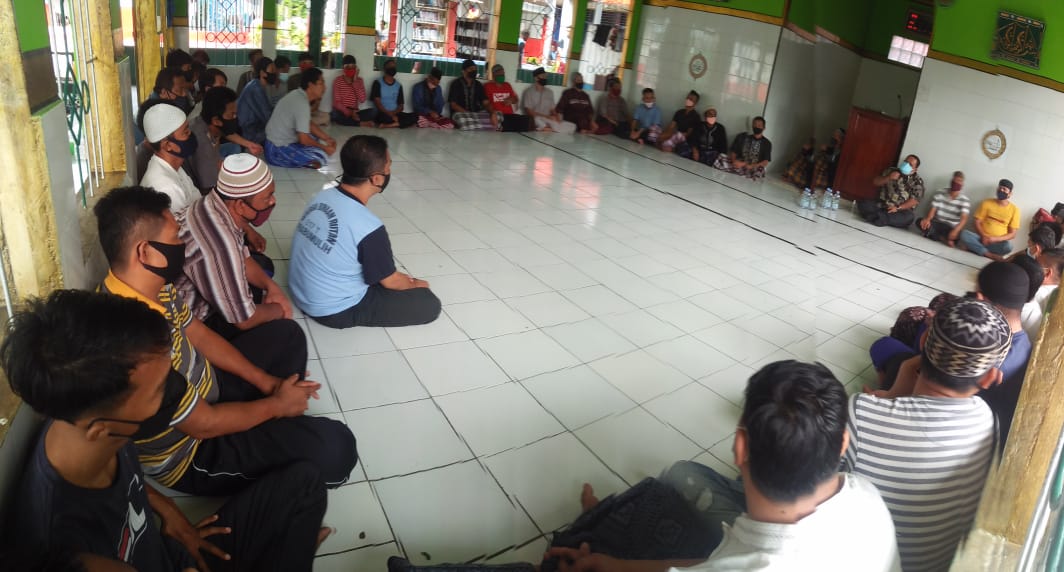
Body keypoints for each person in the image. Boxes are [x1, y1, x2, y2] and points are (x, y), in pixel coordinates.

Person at [388, 361, 901, 572]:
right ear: (843, 443)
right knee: (677, 482)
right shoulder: (866, 496)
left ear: (739, 447)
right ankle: (597, 530)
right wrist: (616, 566)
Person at [0, 289, 333, 572]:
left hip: (176, 552)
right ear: (101, 430)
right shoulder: (64, 547)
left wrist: (168, 510)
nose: (179, 390)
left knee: (306, 484)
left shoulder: (82, 421)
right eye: (160, 390)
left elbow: (119, 483)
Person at [93, 186, 357, 496]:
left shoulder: (153, 286)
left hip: (210, 388)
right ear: (145, 252)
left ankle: (272, 417)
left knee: (288, 334)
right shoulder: (130, 344)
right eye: (176, 238)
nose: (182, 245)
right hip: (194, 450)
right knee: (337, 449)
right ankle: (273, 420)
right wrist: (276, 405)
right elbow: (204, 424)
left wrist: (267, 382)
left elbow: (200, 335)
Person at [848, 297, 1012, 571]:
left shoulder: (860, 414)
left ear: (923, 342)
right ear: (988, 378)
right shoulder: (987, 419)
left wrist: (890, 395)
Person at [290, 135, 442, 328]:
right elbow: (391, 282)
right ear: (377, 178)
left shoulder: (322, 195)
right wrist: (416, 284)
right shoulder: (369, 227)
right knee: (429, 304)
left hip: (300, 292)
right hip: (332, 309)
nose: (389, 172)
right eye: (388, 167)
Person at [175, 154, 292, 338]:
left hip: (200, 291)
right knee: (290, 334)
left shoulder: (212, 203)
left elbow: (241, 256)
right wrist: (279, 309)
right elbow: (243, 320)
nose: (273, 201)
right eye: (267, 197)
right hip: (193, 323)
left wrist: (272, 287)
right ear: (239, 205)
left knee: (263, 267)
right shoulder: (221, 244)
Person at [186, 87, 256, 194]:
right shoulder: (203, 144)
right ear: (216, 120)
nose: (235, 117)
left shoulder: (204, 121)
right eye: (232, 115)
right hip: (199, 187)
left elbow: (226, 131)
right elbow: (208, 188)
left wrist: (249, 144)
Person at [264, 68, 337, 169]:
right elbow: (304, 140)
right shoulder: (301, 103)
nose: (325, 87)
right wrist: (325, 148)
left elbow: (308, 123)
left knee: (314, 138)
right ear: (310, 85)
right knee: (321, 157)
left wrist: (327, 138)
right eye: (321, 83)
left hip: (274, 142)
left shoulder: (298, 94)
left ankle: (304, 154)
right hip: (276, 149)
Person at [139, 101, 201, 214]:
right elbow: (188, 223)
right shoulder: (166, 188)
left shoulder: (174, 167)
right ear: (168, 145)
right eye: (185, 132)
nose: (190, 134)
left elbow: (197, 200)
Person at [856, 154, 925, 228]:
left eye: (910, 164)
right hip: (882, 205)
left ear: (915, 169)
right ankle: (881, 219)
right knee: (864, 203)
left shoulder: (917, 181)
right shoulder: (891, 170)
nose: (906, 165)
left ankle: (876, 217)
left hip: (899, 210)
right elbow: (875, 182)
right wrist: (888, 177)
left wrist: (897, 208)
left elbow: (914, 201)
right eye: (905, 162)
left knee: (909, 217)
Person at [959, 179, 1021, 261]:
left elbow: (1012, 234)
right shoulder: (986, 202)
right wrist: (983, 236)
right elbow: (976, 222)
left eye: (1004, 189)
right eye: (1000, 188)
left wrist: (994, 239)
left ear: (1010, 194)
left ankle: (975, 249)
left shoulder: (1014, 210)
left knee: (1008, 246)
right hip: (980, 238)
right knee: (964, 234)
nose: (1001, 190)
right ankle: (989, 254)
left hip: (997, 242)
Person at [916, 170, 970, 245]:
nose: (956, 182)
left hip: (951, 227)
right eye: (954, 180)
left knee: (960, 234)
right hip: (937, 223)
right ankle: (943, 239)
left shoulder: (964, 200)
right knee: (920, 221)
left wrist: (956, 230)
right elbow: (933, 210)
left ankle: (932, 235)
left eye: (959, 181)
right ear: (951, 181)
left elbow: (964, 219)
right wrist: (928, 219)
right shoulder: (940, 192)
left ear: (962, 184)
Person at [236, 56, 277, 145]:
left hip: (252, 128)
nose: (275, 73)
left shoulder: (256, 85)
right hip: (250, 132)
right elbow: (267, 116)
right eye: (272, 70)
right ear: (262, 73)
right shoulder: (256, 89)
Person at [522, 66, 575, 134]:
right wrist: (547, 117)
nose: (545, 78)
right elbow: (529, 112)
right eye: (543, 76)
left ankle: (547, 128)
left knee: (573, 126)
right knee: (536, 119)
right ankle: (547, 127)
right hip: (536, 119)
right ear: (536, 78)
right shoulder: (529, 92)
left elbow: (552, 109)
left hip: (547, 119)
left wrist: (556, 116)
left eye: (545, 76)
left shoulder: (549, 92)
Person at [449, 59, 494, 131]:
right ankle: (483, 125)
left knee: (498, 115)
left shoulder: (478, 85)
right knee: (461, 119)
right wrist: (468, 114)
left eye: (475, 69)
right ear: (463, 71)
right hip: (461, 114)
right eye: (471, 69)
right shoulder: (456, 84)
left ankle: (476, 125)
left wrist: (492, 113)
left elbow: (486, 103)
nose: (474, 70)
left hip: (476, 114)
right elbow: (453, 105)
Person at [372, 58, 418, 129]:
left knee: (416, 116)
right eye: (390, 66)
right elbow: (377, 103)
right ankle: (400, 123)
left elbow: (401, 106)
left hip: (395, 113)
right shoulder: (377, 83)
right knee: (382, 118)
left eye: (394, 67)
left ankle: (389, 125)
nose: (393, 68)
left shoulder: (398, 85)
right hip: (382, 113)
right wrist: (389, 114)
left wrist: (393, 113)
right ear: (385, 69)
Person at [332, 54, 375, 126]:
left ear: (356, 68)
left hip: (355, 111)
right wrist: (350, 112)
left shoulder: (359, 80)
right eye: (347, 67)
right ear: (343, 68)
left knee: (373, 112)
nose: (350, 69)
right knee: (335, 114)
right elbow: (337, 103)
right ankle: (360, 123)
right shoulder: (338, 80)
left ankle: (351, 121)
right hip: (342, 110)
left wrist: (355, 81)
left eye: (353, 67)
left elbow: (362, 99)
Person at [485, 63, 529, 132]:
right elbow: (486, 103)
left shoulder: (507, 85)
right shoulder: (488, 86)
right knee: (507, 125)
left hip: (510, 115)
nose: (502, 76)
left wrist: (511, 100)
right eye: (500, 74)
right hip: (499, 115)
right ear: (494, 75)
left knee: (526, 121)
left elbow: (516, 100)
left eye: (503, 74)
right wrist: (492, 113)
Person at [659, 91, 701, 155]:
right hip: (675, 136)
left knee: (677, 135)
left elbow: (688, 134)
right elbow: (671, 126)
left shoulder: (696, 116)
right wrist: (666, 134)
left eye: (691, 99)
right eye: (688, 98)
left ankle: (668, 146)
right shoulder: (679, 112)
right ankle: (665, 144)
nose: (688, 100)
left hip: (684, 139)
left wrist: (671, 135)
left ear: (695, 102)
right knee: (661, 134)